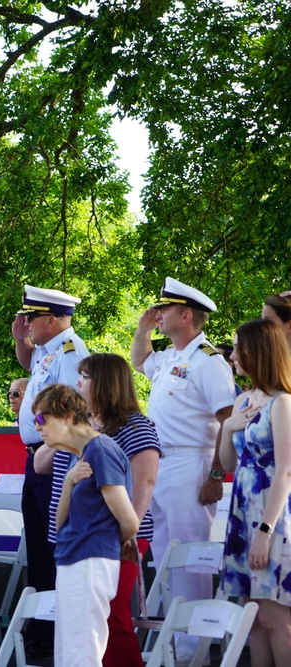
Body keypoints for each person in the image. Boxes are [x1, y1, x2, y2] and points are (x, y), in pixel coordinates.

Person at [130, 277, 235, 660]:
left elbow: (227, 419)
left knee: (191, 562)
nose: (159, 315)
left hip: (193, 462)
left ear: (186, 315)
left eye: (165, 310)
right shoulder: (172, 355)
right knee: (165, 558)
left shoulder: (208, 360)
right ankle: (175, 647)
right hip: (162, 462)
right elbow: (140, 361)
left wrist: (217, 475)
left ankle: (195, 652)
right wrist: (143, 329)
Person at [32, 385, 139, 667]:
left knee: (82, 654)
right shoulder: (78, 455)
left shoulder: (100, 450)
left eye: (42, 419)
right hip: (72, 558)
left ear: (67, 416)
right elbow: (58, 524)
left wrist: (100, 544)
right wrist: (68, 481)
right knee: (69, 653)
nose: (37, 428)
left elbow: (129, 522)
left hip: (90, 560)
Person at [10, 285, 89, 656]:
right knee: (38, 545)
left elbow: (68, 409)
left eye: (32, 318)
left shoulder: (71, 353)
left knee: (51, 543)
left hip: (53, 455)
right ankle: (41, 628)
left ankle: (52, 629)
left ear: (53, 320)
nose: (26, 322)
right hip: (37, 454)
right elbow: (30, 367)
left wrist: (43, 432)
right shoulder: (46, 349)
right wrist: (21, 341)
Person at [76, 353, 160, 667]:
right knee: (93, 616)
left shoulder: (135, 426)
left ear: (105, 383)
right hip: (89, 536)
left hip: (121, 537)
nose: (77, 384)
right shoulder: (86, 425)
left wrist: (128, 533)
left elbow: (145, 482)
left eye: (84, 378)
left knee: (112, 614)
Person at [218, 319, 291, 666]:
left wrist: (265, 530)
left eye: (237, 348)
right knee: (253, 620)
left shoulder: (282, 403)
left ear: (257, 352)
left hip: (270, 517)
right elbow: (228, 463)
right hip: (241, 513)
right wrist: (228, 427)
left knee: (276, 619)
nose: (232, 356)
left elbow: (286, 472)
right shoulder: (243, 399)